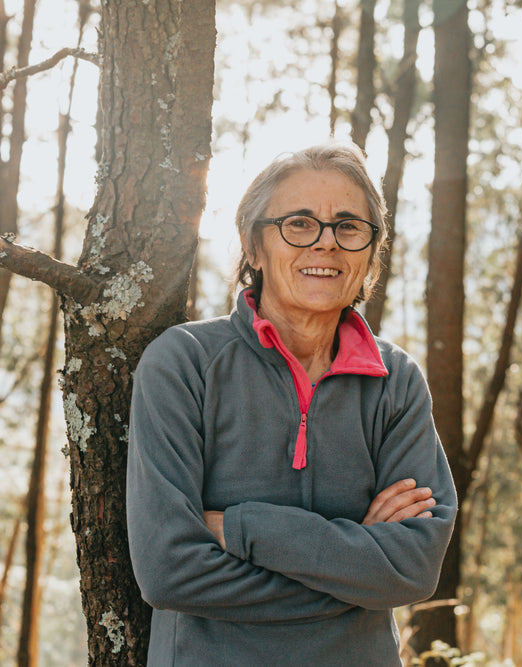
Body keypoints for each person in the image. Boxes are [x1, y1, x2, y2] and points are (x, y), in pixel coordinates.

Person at [126, 142, 457, 666]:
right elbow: (171, 572)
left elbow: (412, 568)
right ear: (252, 245)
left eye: (348, 227)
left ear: (372, 251)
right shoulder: (184, 364)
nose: (325, 244)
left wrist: (240, 529)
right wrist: (359, 573)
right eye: (299, 223)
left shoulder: (396, 382)